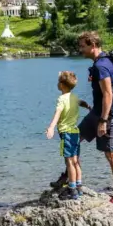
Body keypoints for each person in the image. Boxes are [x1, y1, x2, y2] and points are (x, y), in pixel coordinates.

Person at [77, 31, 113, 204]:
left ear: (92, 45)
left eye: (82, 46)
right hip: (97, 112)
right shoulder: (101, 61)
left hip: (108, 115)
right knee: (73, 138)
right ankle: (70, 177)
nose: (80, 50)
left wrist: (103, 121)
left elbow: (108, 94)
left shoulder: (101, 66)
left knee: (111, 155)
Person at [45, 71, 83, 200]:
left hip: (66, 133)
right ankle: (79, 186)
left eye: (58, 82)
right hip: (76, 132)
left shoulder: (61, 99)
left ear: (61, 85)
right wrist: (87, 106)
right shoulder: (74, 97)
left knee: (69, 162)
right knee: (76, 160)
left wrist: (51, 127)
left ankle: (72, 189)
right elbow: (80, 102)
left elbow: (58, 113)